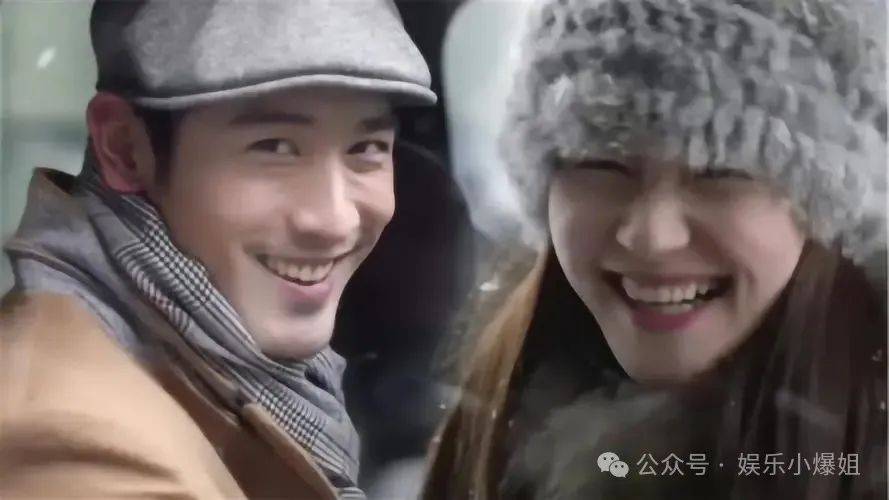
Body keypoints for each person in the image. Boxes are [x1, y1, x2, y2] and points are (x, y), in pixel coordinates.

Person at [425, 0, 886, 498]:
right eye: (602, 162)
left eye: (721, 172)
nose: (650, 236)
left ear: (831, 207)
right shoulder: (490, 417)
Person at [0, 0, 434, 498]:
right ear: (125, 149)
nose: (335, 221)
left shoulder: (234, 374)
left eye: (366, 149)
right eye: (275, 147)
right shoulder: (80, 450)